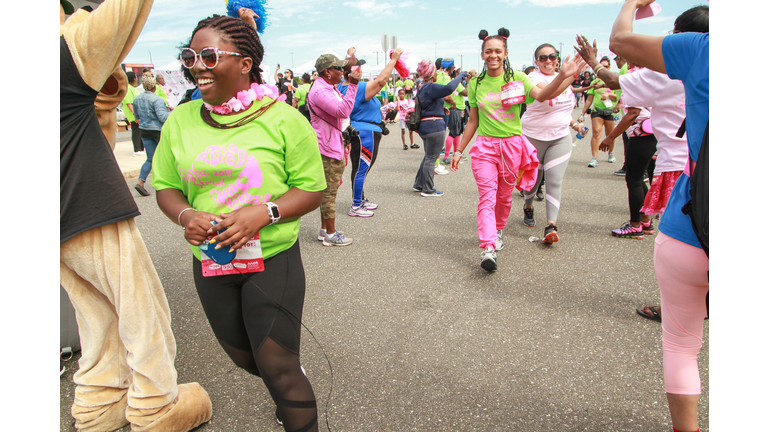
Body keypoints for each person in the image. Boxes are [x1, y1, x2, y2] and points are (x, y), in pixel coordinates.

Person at [153, 13, 327, 431]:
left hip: (271, 258)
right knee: (246, 359)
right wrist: (186, 214)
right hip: (212, 261)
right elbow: (165, 186)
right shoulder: (180, 121)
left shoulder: (285, 120)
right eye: (191, 55)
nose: (197, 65)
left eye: (209, 55)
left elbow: (312, 188)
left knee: (279, 365)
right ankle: (284, 389)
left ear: (245, 63)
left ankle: (293, 406)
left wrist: (262, 213)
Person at [59, 1, 212, 430]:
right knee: (142, 310)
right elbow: (124, 13)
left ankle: (97, 404)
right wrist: (83, 16)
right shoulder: (65, 51)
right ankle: (155, 405)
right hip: (86, 204)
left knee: (95, 313)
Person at [609, 2, 709, 431]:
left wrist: (632, 3)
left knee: (682, 347)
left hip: (693, 218)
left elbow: (621, 46)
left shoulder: (701, 51)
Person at [450, 28, 586, 271]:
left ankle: (499, 230)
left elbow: (543, 95)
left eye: (498, 51)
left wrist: (564, 75)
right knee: (487, 197)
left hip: (513, 145)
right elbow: (473, 121)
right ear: (482, 55)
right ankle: (488, 247)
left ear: (506, 53)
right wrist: (459, 150)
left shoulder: (519, 78)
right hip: (485, 148)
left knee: (503, 197)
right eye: (488, 51)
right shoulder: (475, 84)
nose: (493, 55)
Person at [520, 43, 587, 244]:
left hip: (559, 137)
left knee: (554, 181)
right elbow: (549, 94)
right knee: (532, 182)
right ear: (536, 62)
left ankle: (551, 225)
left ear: (557, 58)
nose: (548, 60)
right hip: (533, 137)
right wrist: (569, 76)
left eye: (552, 56)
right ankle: (528, 206)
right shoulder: (533, 78)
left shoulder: (566, 78)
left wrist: (575, 125)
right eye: (543, 58)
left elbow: (563, 111)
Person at [339, 47, 404, 217]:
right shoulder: (358, 87)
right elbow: (382, 81)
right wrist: (394, 60)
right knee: (361, 169)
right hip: (365, 132)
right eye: (358, 66)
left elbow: (347, 68)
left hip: (366, 131)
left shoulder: (344, 86)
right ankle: (356, 205)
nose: (360, 69)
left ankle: (359, 198)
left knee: (360, 168)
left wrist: (350, 55)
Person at [307, 53, 361, 246]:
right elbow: (343, 111)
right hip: (328, 148)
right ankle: (330, 234)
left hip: (331, 144)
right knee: (329, 193)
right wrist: (353, 85)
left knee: (329, 189)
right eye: (339, 68)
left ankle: (325, 230)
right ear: (328, 72)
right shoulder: (321, 91)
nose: (343, 71)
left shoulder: (327, 88)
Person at [412, 59, 467, 197]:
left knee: (428, 157)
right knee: (431, 157)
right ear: (431, 74)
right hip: (435, 126)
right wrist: (460, 76)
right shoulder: (431, 86)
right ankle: (428, 189)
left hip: (425, 125)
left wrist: (440, 108)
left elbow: (427, 106)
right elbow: (449, 88)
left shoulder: (422, 88)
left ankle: (419, 184)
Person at [132, 72, 170, 197]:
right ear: (154, 87)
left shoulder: (137, 99)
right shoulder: (157, 100)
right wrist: (172, 112)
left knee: (150, 158)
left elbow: (136, 116)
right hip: (157, 131)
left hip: (144, 130)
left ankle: (141, 181)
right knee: (165, 156)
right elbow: (163, 117)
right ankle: (168, 183)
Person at [579, 56, 618, 167]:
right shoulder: (595, 82)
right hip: (597, 111)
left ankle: (611, 153)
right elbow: (589, 99)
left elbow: (618, 98)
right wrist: (583, 112)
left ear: (609, 67)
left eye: (605, 66)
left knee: (610, 135)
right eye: (601, 66)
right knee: (596, 132)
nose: (603, 68)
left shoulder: (613, 81)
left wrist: (609, 94)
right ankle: (594, 158)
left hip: (610, 111)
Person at [121, 70, 144, 156]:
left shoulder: (131, 88)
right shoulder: (127, 88)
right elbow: (129, 103)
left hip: (137, 113)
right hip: (133, 114)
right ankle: (137, 149)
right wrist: (135, 114)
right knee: (136, 131)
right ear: (134, 79)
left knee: (139, 130)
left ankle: (141, 148)